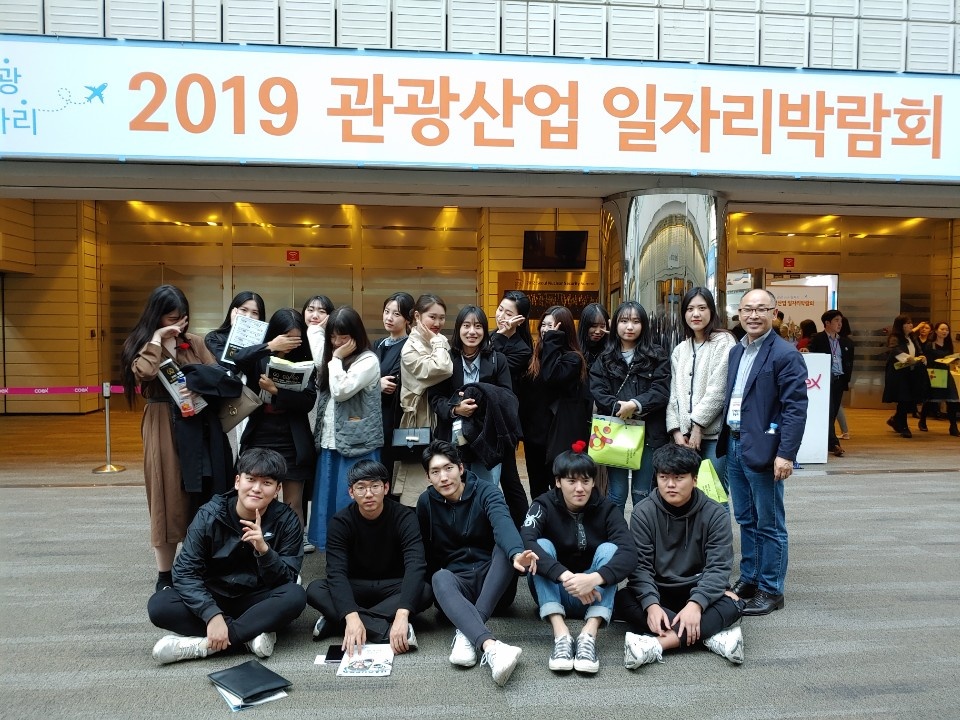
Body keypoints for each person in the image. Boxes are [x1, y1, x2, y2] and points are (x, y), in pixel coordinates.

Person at [120, 284, 234, 592]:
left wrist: (198, 386)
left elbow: (220, 376)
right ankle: (165, 575)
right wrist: (158, 339)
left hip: (198, 423)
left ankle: (199, 564)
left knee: (203, 491)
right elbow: (144, 373)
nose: (178, 325)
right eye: (171, 318)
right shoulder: (142, 343)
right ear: (156, 316)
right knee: (166, 493)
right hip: (162, 424)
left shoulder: (194, 342)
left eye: (182, 318)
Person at [147, 448, 306, 664]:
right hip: (214, 594)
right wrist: (211, 614)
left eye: (266, 483)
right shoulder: (209, 515)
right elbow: (184, 573)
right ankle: (248, 637)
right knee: (159, 605)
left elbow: (287, 578)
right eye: (251, 480)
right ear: (238, 481)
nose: (256, 489)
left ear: (278, 489)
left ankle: (204, 646)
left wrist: (264, 551)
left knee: (295, 596)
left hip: (257, 598)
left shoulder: (287, 520)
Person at [416, 441, 537, 687]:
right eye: (435, 472)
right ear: (428, 477)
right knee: (439, 577)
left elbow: (503, 523)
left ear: (461, 468)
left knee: (503, 550)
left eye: (448, 468)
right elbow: (425, 550)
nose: (443, 477)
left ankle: (467, 631)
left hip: (493, 586)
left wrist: (516, 553)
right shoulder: (426, 502)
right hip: (456, 590)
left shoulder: (486, 491)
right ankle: (490, 646)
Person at [717, 288, 808, 616]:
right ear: (739, 313)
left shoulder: (785, 354)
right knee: (746, 518)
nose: (753, 315)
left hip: (766, 450)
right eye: (747, 309)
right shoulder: (736, 351)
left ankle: (771, 589)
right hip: (735, 443)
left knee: (769, 522)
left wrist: (786, 453)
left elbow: (795, 408)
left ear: (773, 313)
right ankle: (750, 578)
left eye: (761, 309)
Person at [616, 444, 744, 670]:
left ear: (694, 479)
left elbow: (718, 568)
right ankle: (710, 637)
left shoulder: (715, 514)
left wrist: (696, 604)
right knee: (623, 598)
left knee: (733, 602)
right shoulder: (643, 512)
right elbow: (640, 568)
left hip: (698, 588)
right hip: (660, 591)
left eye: (679, 478)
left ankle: (658, 644)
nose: (670, 484)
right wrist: (651, 605)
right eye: (663, 477)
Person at [521, 443, 636, 674]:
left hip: (594, 594)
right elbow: (526, 540)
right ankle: (561, 634)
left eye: (585, 481)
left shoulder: (607, 509)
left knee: (610, 550)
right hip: (555, 591)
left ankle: (589, 635)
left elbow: (629, 552)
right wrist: (565, 576)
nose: (580, 488)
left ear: (593, 482)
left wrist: (594, 579)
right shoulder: (543, 504)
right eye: (571, 481)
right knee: (540, 547)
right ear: (558, 481)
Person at [307, 460, 432, 655]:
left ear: (386, 488)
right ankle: (381, 629)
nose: (368, 494)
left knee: (425, 590)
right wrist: (351, 616)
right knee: (316, 589)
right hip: (356, 586)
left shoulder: (405, 517)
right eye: (361, 488)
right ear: (351, 492)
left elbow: (415, 565)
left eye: (375, 486)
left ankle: (337, 621)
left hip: (393, 586)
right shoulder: (340, 522)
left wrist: (402, 614)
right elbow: (336, 573)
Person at [234, 308, 317, 543]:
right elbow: (238, 359)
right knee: (256, 496)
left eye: (296, 338)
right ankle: (254, 545)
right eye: (287, 337)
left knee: (293, 502)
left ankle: (292, 549)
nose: (291, 343)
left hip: (292, 439)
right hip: (261, 434)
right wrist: (270, 346)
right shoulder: (260, 357)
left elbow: (308, 402)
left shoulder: (304, 361)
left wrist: (276, 391)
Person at [309, 306, 383, 552]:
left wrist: (337, 359)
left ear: (356, 335)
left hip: (358, 445)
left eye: (343, 337)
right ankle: (334, 553)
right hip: (330, 442)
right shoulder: (331, 359)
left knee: (353, 501)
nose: (336, 343)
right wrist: (321, 326)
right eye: (333, 336)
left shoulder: (368, 360)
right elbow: (314, 336)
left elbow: (341, 391)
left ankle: (358, 554)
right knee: (328, 501)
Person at [590, 301, 671, 514]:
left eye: (635, 321)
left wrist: (635, 405)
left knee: (642, 492)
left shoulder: (657, 355)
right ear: (615, 324)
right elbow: (598, 391)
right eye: (624, 321)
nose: (629, 326)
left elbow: (661, 390)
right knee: (616, 493)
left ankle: (642, 534)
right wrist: (620, 407)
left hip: (649, 434)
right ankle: (617, 534)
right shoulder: (605, 358)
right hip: (616, 432)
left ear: (643, 325)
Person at [666, 287, 736, 494]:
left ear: (711, 311)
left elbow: (719, 389)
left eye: (702, 308)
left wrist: (698, 426)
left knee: (714, 494)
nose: (695, 314)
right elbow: (673, 395)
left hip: (713, 437)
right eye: (690, 309)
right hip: (684, 438)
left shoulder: (723, 341)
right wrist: (676, 431)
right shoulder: (680, 349)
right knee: (686, 495)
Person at [522, 305, 591, 500]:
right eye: (543, 325)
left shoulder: (573, 359)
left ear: (563, 329)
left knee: (560, 490)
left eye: (551, 326)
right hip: (535, 436)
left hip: (559, 437)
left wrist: (552, 340)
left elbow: (551, 376)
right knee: (537, 489)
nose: (545, 330)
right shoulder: (534, 356)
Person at [204, 291, 267, 457]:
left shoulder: (264, 345)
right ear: (233, 311)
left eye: (255, 313)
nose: (248, 316)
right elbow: (230, 366)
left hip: (253, 407)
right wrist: (238, 334)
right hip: (225, 406)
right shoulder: (214, 338)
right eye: (243, 310)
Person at [374, 291, 415, 498]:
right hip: (374, 419)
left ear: (408, 318)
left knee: (389, 472)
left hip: (394, 418)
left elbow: (392, 384)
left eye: (396, 314)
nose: (389, 317)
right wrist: (376, 384)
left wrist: (374, 383)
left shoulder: (409, 346)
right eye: (386, 311)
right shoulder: (378, 344)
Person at [399, 293, 454, 432]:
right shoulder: (409, 349)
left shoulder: (441, 339)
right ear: (417, 316)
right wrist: (436, 342)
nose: (437, 323)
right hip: (421, 420)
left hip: (444, 413)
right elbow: (444, 368)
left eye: (442, 318)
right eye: (432, 317)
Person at [808, 310, 855, 457]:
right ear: (827, 323)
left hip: (839, 380)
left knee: (833, 413)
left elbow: (849, 362)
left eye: (840, 321)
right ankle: (834, 443)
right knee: (827, 412)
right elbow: (811, 354)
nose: (840, 324)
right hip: (824, 381)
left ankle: (827, 441)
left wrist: (847, 379)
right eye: (836, 320)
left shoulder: (846, 342)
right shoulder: (818, 338)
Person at [882, 314, 929, 439]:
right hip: (899, 373)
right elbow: (894, 351)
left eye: (911, 323)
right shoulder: (894, 337)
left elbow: (918, 350)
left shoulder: (912, 337)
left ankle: (895, 420)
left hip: (911, 373)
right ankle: (904, 426)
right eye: (907, 323)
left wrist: (921, 356)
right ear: (901, 325)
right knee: (903, 399)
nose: (910, 325)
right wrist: (908, 358)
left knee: (908, 399)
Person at [920, 322, 959, 436]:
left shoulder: (948, 345)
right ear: (936, 331)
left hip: (946, 373)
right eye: (942, 329)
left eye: (947, 330)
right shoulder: (930, 345)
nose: (945, 331)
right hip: (934, 373)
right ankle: (922, 420)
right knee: (931, 399)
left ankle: (953, 426)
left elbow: (950, 358)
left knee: (952, 399)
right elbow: (927, 360)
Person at [491, 290, 534, 390]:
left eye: (508, 314)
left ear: (520, 321)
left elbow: (492, 368)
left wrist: (501, 334)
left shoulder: (523, 351)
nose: (501, 316)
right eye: (500, 309)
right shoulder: (488, 336)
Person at [577, 302, 610, 370]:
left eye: (602, 326)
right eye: (594, 326)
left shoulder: (610, 349)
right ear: (584, 325)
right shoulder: (575, 350)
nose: (598, 331)